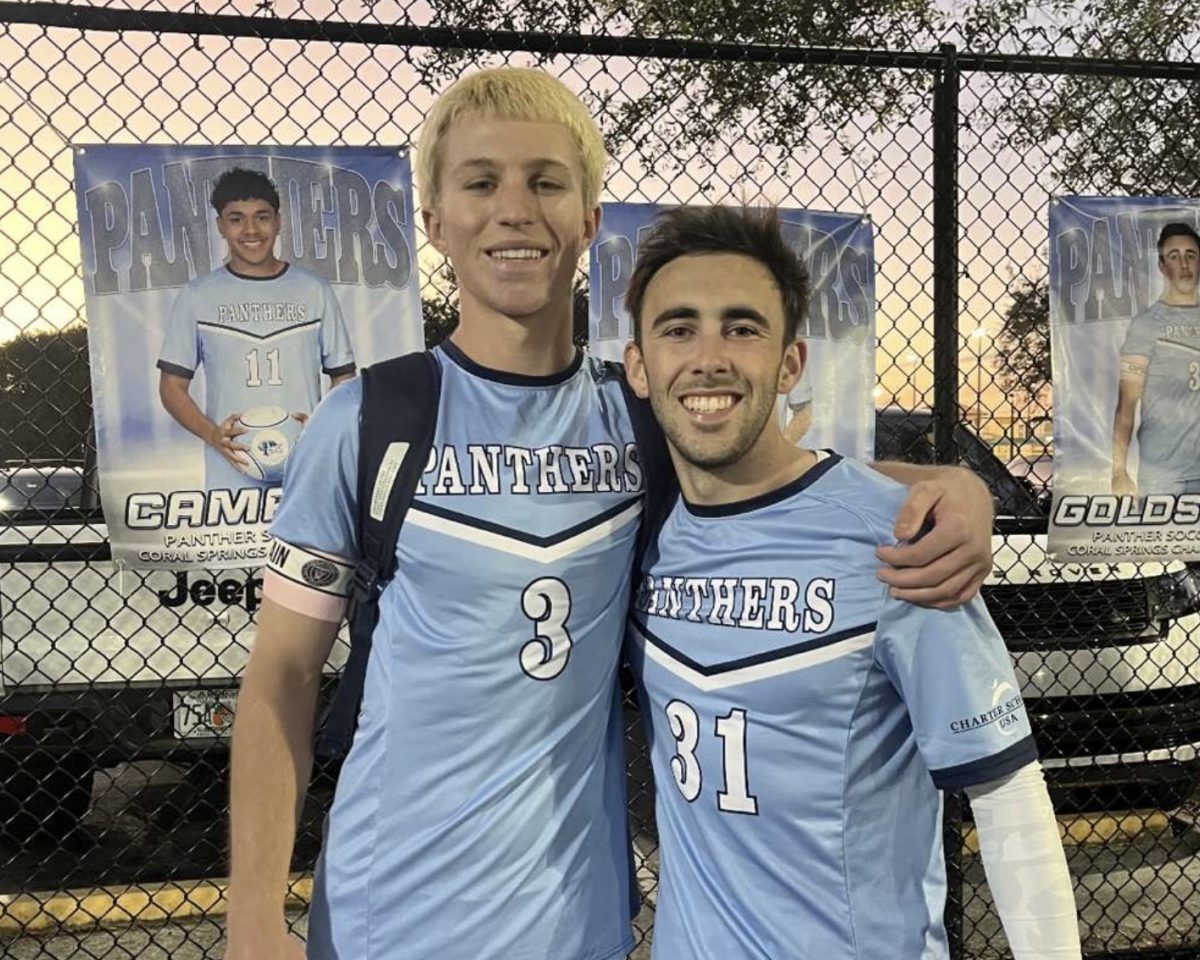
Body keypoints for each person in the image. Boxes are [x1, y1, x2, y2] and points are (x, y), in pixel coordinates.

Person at [225, 68, 996, 960]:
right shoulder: (369, 423)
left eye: (547, 182)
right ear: (434, 222)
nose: (515, 209)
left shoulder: (635, 419)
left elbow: (783, 471)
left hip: (579, 923)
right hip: (386, 918)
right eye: (481, 183)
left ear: (590, 220)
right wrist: (251, 915)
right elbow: (280, 675)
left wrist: (947, 484)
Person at [622, 204, 1080, 960]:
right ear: (638, 366)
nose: (708, 357)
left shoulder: (899, 539)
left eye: (742, 327)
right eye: (678, 328)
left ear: (791, 363)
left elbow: (1007, 799)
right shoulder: (641, 531)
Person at [157, 168, 356, 490]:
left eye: (261, 217)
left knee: (309, 542)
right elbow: (171, 386)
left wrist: (322, 427)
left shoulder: (313, 289)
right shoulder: (198, 296)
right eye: (236, 219)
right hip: (232, 474)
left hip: (307, 466)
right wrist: (212, 434)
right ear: (221, 225)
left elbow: (344, 377)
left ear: (278, 221)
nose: (251, 229)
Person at [1112, 221, 1200, 497]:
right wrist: (1118, 471)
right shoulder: (1147, 325)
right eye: (1174, 256)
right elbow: (1127, 404)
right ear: (1162, 267)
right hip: (1164, 476)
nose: (1184, 264)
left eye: (1191, 255)